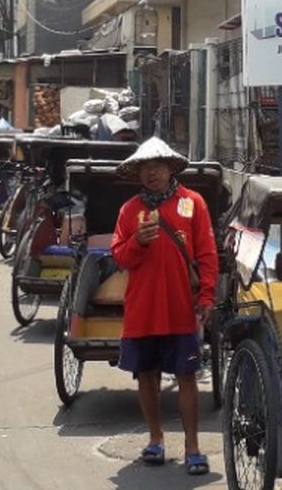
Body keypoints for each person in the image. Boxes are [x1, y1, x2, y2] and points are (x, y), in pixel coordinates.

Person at [110, 137, 216, 476]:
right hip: (142, 309)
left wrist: (207, 297)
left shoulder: (193, 203)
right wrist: (138, 242)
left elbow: (207, 255)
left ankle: (193, 447)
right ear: (138, 172)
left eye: (158, 166)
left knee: (186, 377)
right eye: (145, 167)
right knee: (147, 377)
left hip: (182, 308)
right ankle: (155, 439)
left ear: (171, 168)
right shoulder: (128, 211)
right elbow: (119, 257)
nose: (152, 172)